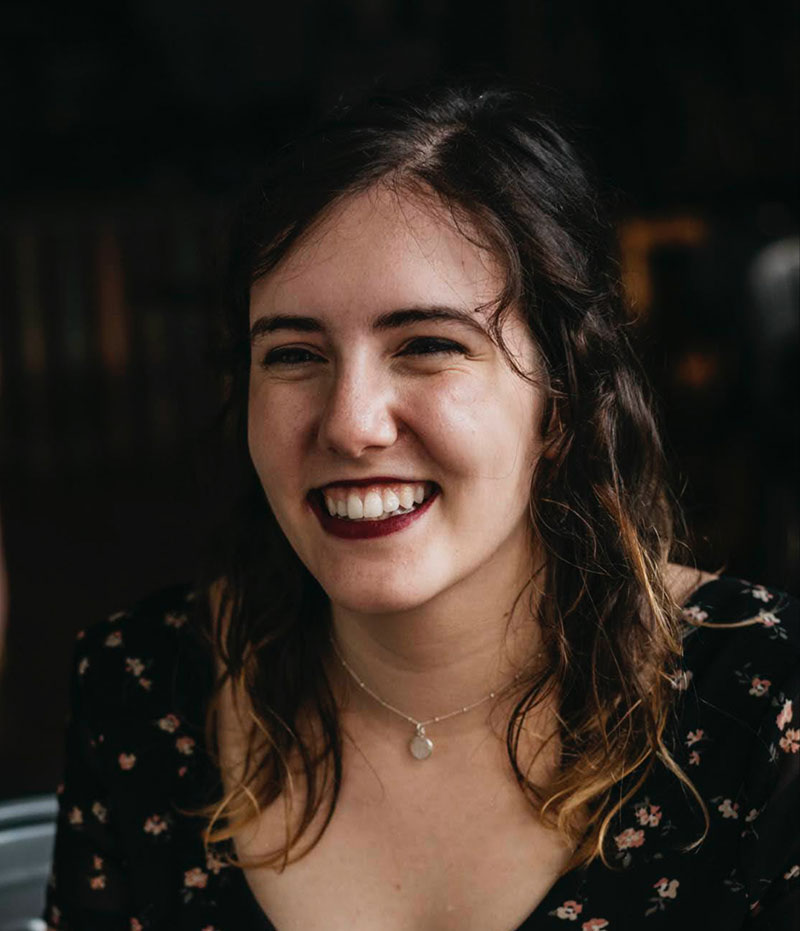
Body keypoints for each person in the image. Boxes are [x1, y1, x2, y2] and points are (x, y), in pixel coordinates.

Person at [44, 83, 799, 930]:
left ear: (563, 400)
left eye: (428, 345)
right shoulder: (142, 691)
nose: (350, 423)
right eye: (293, 354)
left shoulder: (766, 701)